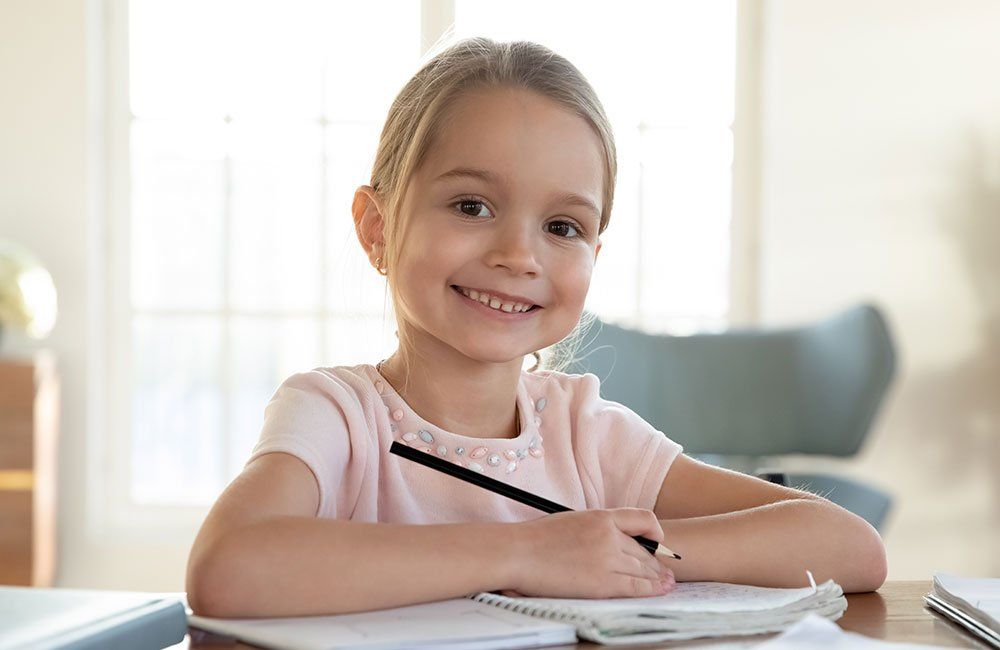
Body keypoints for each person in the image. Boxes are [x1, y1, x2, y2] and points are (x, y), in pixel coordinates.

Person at [186, 37, 887, 618]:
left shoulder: (586, 433)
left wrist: (617, 549)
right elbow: (227, 568)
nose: (519, 256)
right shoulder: (335, 416)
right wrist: (530, 552)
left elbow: (849, 547)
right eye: (471, 205)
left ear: (593, 258)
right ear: (377, 229)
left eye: (562, 226)